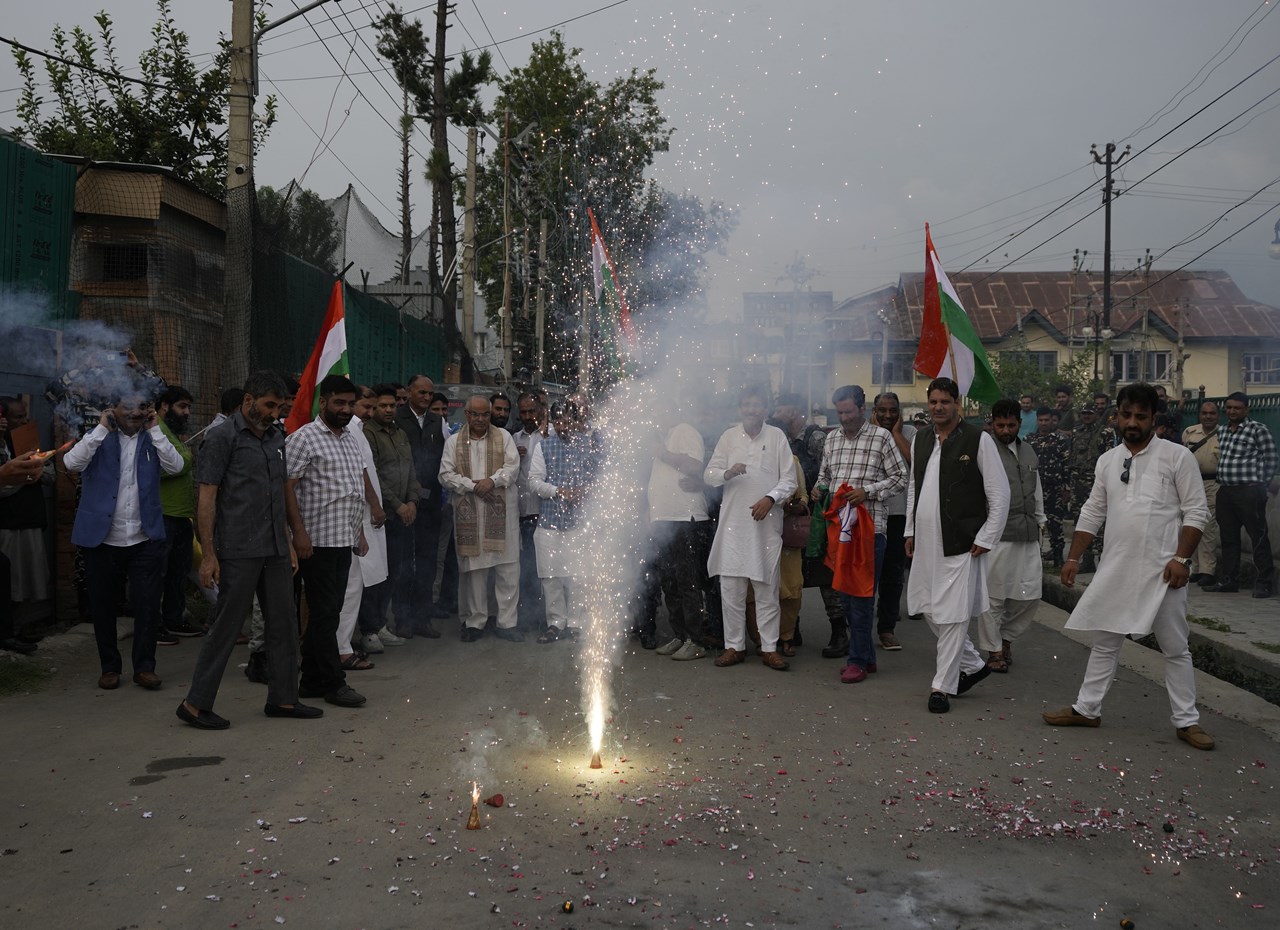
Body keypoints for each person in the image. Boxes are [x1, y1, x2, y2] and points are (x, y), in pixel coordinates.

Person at [1043, 382, 1213, 750]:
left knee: (1175, 648)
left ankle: (1187, 721)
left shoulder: (1176, 456)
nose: (1132, 422)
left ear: (1154, 418)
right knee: (1105, 643)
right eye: (1126, 415)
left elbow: (1197, 511)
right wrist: (1073, 557)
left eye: (1140, 416)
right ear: (1116, 416)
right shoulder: (1108, 460)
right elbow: (1093, 511)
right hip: (1116, 568)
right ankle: (1087, 709)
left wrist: (1182, 559)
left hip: (1163, 572)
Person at [177, 371, 322, 729]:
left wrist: (288, 542)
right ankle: (195, 704)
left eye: (279, 406)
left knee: (284, 624)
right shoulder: (221, 437)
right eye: (269, 405)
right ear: (247, 401)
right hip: (239, 548)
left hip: (274, 546)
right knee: (227, 626)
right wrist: (209, 554)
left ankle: (284, 699)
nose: (275, 413)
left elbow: (279, 495)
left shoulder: (276, 437)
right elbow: (207, 499)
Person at [63, 378, 184, 690]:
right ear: (112, 409)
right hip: (101, 539)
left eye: (141, 407)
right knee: (103, 607)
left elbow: (176, 466)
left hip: (144, 538)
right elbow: (70, 463)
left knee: (146, 606)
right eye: (127, 407)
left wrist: (156, 429)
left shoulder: (153, 437)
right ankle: (109, 668)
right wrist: (101, 428)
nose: (134, 413)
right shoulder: (97, 436)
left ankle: (144, 668)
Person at [904, 377, 1010, 714]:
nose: (938, 407)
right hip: (926, 542)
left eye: (944, 402)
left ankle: (942, 686)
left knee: (952, 615)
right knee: (929, 608)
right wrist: (909, 530)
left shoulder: (979, 440)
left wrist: (986, 537)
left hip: (962, 543)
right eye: (933, 402)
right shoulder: (921, 438)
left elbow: (999, 494)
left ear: (957, 404)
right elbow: (913, 488)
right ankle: (974, 665)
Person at [284, 375, 374, 709]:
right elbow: (287, 487)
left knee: (329, 612)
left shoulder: (351, 437)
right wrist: (299, 533)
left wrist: (360, 533)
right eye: (340, 403)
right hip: (316, 540)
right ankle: (335, 683)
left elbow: (353, 488)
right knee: (324, 614)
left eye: (351, 404)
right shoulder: (304, 439)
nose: (346, 409)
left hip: (343, 538)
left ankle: (310, 681)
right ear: (323, 402)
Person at [812, 385, 907, 683]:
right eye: (839, 413)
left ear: (863, 409)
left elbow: (901, 478)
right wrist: (819, 489)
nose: (844, 418)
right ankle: (866, 655)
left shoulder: (881, 438)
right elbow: (825, 475)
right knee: (844, 593)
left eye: (849, 412)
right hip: (840, 529)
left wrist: (868, 491)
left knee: (862, 595)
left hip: (871, 528)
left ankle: (857, 660)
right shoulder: (832, 440)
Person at [704, 386, 797, 671]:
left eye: (756, 405)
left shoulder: (777, 436)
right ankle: (735, 646)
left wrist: (771, 499)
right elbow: (709, 475)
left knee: (766, 589)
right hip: (734, 527)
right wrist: (727, 473)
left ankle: (769, 648)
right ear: (739, 409)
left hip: (766, 526)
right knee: (731, 589)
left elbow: (790, 480)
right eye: (746, 405)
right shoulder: (729, 437)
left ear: (764, 409)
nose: (751, 410)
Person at [440, 395, 522, 642]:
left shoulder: (504, 437)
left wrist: (492, 481)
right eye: (474, 414)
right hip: (471, 514)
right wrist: (471, 485)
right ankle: (476, 622)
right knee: (475, 571)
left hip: (502, 513)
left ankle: (507, 623)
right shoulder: (454, 442)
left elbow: (512, 468)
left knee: (508, 570)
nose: (480, 419)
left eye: (484, 414)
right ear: (466, 415)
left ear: (489, 415)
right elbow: (445, 474)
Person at [977, 399, 1044, 673]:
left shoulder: (1028, 451)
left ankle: (1005, 638)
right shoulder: (984, 449)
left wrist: (1042, 520)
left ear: (1019, 423)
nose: (1005, 430)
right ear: (992, 423)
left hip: (1028, 534)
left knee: (1029, 595)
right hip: (996, 536)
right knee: (993, 598)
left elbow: (1036, 488)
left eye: (1011, 425)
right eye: (1000, 425)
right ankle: (994, 651)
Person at [529, 401, 597, 643]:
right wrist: (560, 491)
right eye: (557, 422)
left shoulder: (587, 446)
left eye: (567, 421)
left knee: (578, 576)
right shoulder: (543, 446)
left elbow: (599, 478)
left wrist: (585, 490)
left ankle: (578, 623)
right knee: (551, 577)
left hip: (579, 523)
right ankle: (556, 623)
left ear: (575, 421)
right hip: (549, 523)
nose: (562, 426)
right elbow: (534, 482)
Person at [649, 400, 711, 661]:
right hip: (663, 519)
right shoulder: (664, 436)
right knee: (669, 580)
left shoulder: (686, 431)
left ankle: (696, 640)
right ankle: (680, 635)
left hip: (686, 518)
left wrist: (661, 453)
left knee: (688, 581)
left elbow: (696, 467)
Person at [335, 386, 388, 669]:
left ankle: (345, 642)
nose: (370, 412)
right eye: (365, 406)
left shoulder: (357, 430)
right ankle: (342, 647)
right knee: (351, 585)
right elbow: (360, 473)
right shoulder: (352, 431)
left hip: (361, 518)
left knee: (356, 585)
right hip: (354, 519)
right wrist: (376, 505)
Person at [1205, 392, 1276, 598]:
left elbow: (1271, 457)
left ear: (1246, 409)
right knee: (1228, 538)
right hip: (1226, 490)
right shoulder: (1223, 430)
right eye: (1229, 408)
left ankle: (1265, 582)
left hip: (1250, 490)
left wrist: (1262, 483)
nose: (1232, 411)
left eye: (1237, 408)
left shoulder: (1257, 429)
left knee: (1258, 537)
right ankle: (1229, 580)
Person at [364, 384, 419, 647]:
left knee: (395, 572)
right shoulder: (368, 434)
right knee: (376, 575)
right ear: (374, 407)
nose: (388, 410)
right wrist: (398, 505)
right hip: (381, 516)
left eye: (392, 406)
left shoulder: (400, 433)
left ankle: (381, 624)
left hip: (404, 514)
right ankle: (369, 629)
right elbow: (373, 476)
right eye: (383, 406)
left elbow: (410, 470)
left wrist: (412, 501)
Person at [393, 374, 447, 637]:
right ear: (409, 392)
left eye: (429, 393)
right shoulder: (397, 418)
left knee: (427, 562)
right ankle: (402, 619)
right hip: (404, 502)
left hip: (431, 502)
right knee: (404, 562)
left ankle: (422, 618)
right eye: (421, 393)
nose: (426, 398)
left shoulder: (438, 421)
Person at [155, 386, 203, 640]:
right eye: (182, 406)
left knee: (178, 572)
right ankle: (153, 625)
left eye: (188, 407)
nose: (187, 412)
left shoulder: (172, 433)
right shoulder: (155, 431)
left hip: (181, 515)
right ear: (164, 406)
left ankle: (174, 619)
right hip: (163, 514)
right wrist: (184, 459)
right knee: (158, 573)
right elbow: (170, 466)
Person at [871, 392, 914, 651]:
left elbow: (915, 463)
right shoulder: (865, 433)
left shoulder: (910, 434)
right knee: (867, 574)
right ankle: (861, 628)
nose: (888, 415)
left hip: (899, 514)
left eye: (893, 411)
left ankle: (887, 628)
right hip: (870, 514)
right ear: (874, 411)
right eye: (882, 410)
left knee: (893, 575)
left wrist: (894, 435)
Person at [513, 391, 547, 632]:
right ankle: (529, 614)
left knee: (545, 565)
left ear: (541, 410)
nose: (527, 416)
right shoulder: (514, 438)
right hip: (520, 511)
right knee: (525, 564)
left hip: (544, 510)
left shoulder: (550, 435)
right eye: (523, 412)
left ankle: (548, 615)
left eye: (531, 411)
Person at [1068, 403, 1116, 573]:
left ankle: (1104, 560)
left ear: (1096, 414)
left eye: (1090, 413)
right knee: (1080, 519)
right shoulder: (1077, 431)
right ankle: (1087, 560)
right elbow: (1072, 454)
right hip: (1078, 481)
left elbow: (1111, 457)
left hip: (1096, 481)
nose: (1086, 416)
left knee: (1101, 522)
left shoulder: (1106, 432)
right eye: (1084, 413)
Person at [1182, 401, 1221, 588]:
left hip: (1213, 483)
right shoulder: (1190, 432)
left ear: (1217, 415)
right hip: (1192, 483)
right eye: (1204, 413)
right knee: (1191, 525)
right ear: (1199, 415)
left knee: (1208, 527)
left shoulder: (1223, 434)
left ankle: (1208, 570)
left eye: (1212, 413)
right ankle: (1195, 569)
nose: (1208, 416)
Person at [1027, 406, 1071, 566]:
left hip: (1054, 489)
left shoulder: (1059, 440)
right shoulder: (1029, 440)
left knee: (1055, 525)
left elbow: (1066, 464)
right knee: (1035, 525)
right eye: (1041, 420)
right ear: (1037, 421)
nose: (1044, 423)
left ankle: (1058, 557)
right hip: (1034, 489)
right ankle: (1034, 559)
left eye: (1047, 420)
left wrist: (1066, 487)